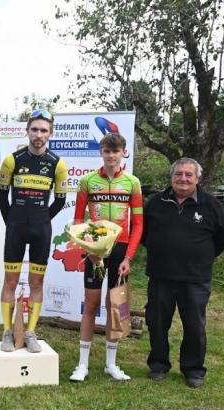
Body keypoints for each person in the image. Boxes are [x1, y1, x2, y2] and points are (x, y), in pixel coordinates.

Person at [143, 158, 224, 388]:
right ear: (171, 177)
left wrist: (204, 255)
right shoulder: (155, 203)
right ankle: (158, 365)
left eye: (188, 175)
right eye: (178, 174)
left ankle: (193, 369)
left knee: (194, 325)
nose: (183, 179)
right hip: (160, 276)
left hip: (195, 278)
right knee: (157, 323)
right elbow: (142, 234)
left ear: (197, 178)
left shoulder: (210, 205)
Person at [69, 133, 143, 382]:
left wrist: (129, 258)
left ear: (123, 152)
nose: (111, 156)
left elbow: (139, 224)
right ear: (101, 152)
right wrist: (88, 249)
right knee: (90, 305)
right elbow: (78, 221)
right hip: (95, 252)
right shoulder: (88, 181)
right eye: (106, 151)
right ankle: (82, 365)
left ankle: (111, 364)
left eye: (116, 151)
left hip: (121, 251)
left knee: (115, 306)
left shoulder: (132, 183)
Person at [0, 110, 68, 353]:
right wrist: (12, 221)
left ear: (51, 133)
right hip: (15, 228)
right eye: (35, 129)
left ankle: (30, 332)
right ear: (27, 131)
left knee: (37, 282)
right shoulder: (12, 160)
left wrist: (42, 219)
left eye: (43, 130)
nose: (38, 135)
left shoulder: (57, 164)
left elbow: (59, 200)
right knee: (11, 281)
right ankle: (7, 332)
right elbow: (2, 195)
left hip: (41, 229)